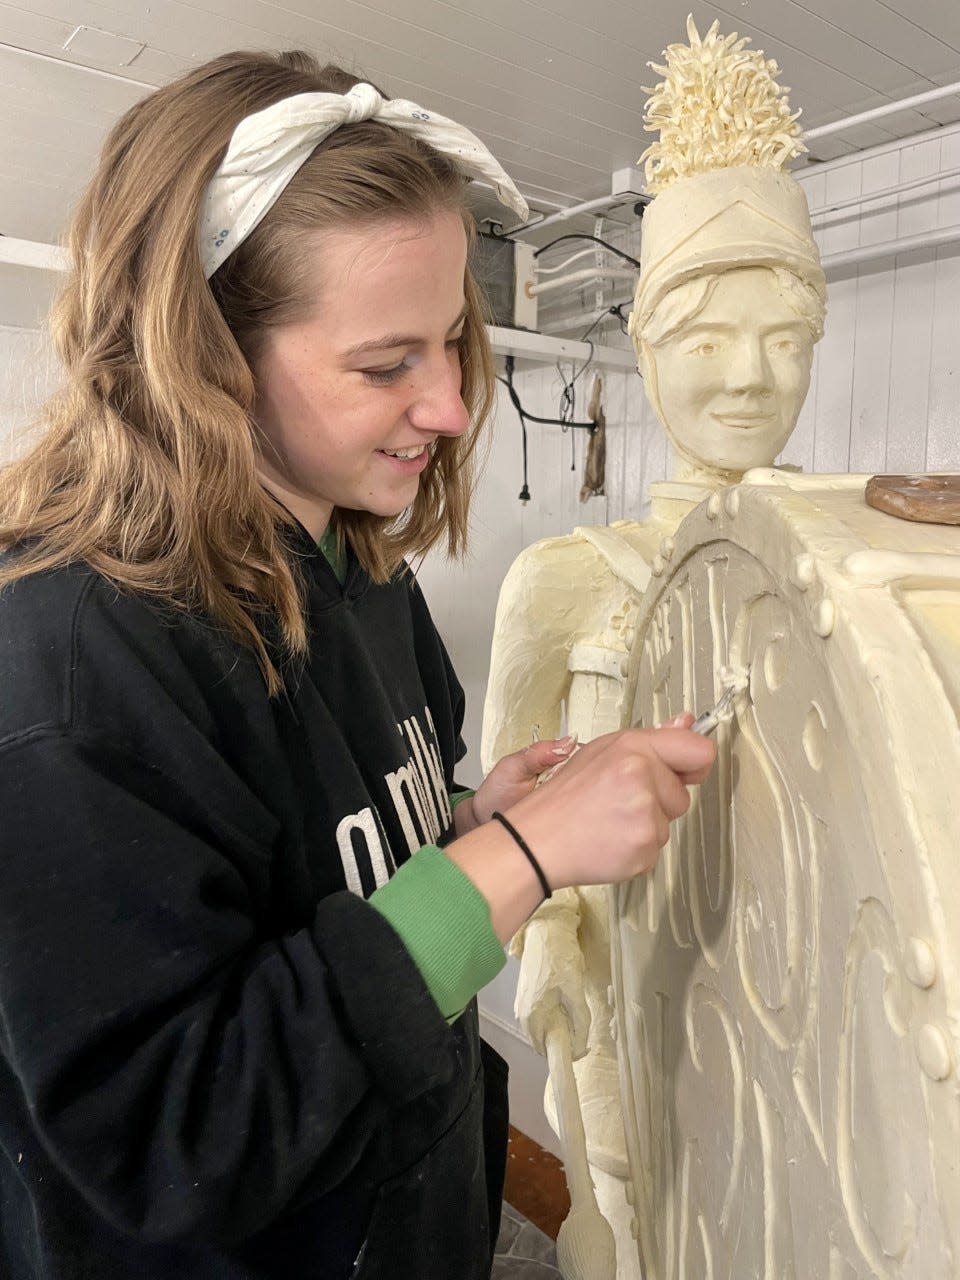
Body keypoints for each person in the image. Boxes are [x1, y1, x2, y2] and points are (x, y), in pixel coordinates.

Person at [0, 50, 715, 1280]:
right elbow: (183, 1134)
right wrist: (523, 857)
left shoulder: (354, 562)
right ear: (205, 355)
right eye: (387, 364)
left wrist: (468, 816)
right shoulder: (68, 666)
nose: (447, 406)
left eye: (450, 341)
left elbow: (345, 855)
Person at [481, 18, 825, 1274]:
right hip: (625, 1000)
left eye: (786, 339)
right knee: (623, 1227)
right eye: (706, 337)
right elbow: (499, 824)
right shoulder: (565, 582)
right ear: (644, 349)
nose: (749, 377)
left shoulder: (836, 581)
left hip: (789, 1010)